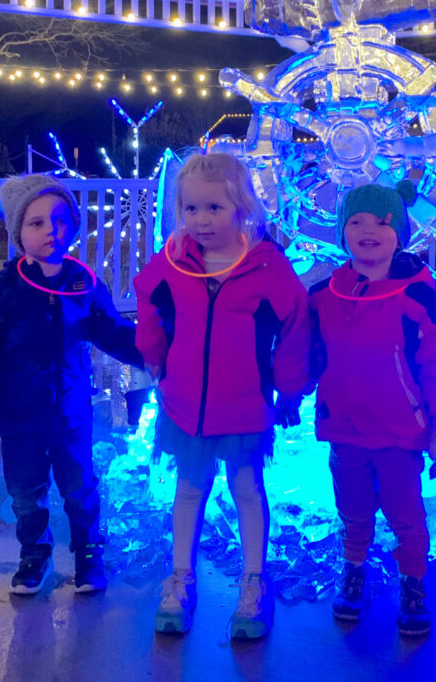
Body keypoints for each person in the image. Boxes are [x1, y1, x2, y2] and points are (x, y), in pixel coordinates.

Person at [133, 152, 311, 640]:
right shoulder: (174, 260)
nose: (200, 220)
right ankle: (180, 580)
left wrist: (290, 387)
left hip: (244, 403)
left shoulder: (267, 266)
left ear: (242, 208)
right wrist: (152, 349)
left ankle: (254, 582)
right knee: (189, 489)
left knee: (248, 489)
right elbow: (148, 299)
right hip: (186, 404)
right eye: (190, 209)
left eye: (213, 208)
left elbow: (295, 325)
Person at [0, 175, 143, 596]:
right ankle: (34, 553)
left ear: (73, 225)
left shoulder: (84, 283)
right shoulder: (1, 292)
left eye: (59, 220)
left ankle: (88, 552)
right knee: (25, 491)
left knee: (80, 486)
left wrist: (154, 351)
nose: (50, 231)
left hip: (72, 413)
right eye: (36, 223)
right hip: (20, 417)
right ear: (18, 232)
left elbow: (111, 331)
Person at [309, 181, 436, 637]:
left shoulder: (420, 297)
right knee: (352, 506)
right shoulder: (327, 293)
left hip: (400, 429)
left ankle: (413, 581)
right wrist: (289, 392)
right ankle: (354, 570)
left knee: (405, 509)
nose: (368, 230)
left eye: (381, 221)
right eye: (355, 221)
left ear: (399, 231)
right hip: (344, 427)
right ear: (342, 234)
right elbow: (307, 349)